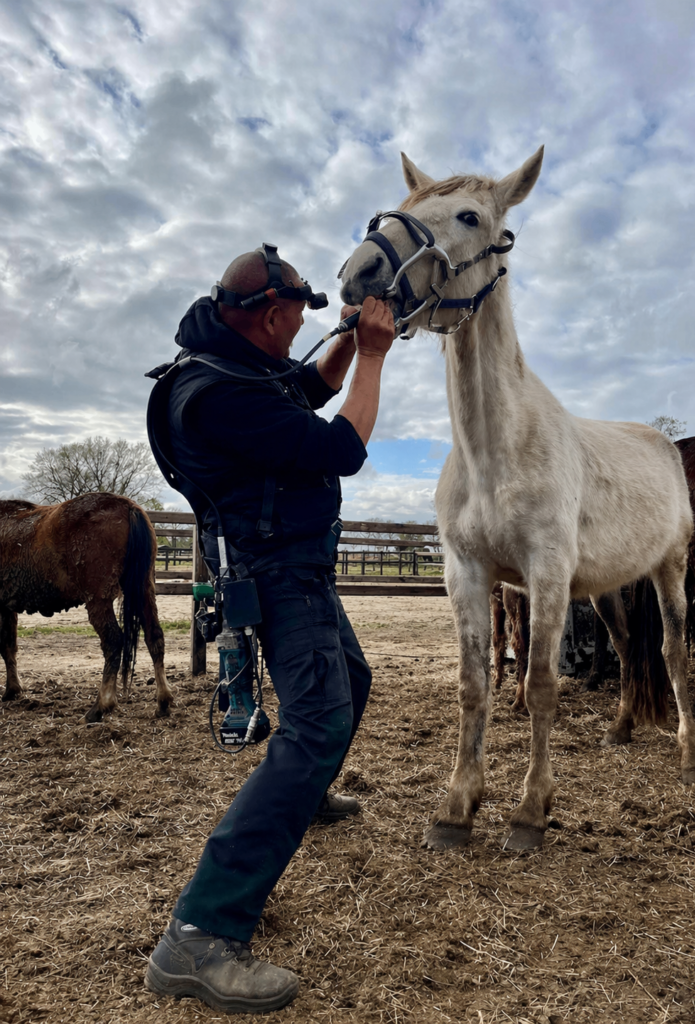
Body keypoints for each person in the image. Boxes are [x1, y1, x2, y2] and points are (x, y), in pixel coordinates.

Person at [144, 244, 395, 1014]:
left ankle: (303, 795)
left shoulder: (232, 366)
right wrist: (375, 357)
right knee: (318, 724)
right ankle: (199, 931)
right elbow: (339, 448)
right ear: (267, 313)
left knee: (348, 682)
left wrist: (347, 339)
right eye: (296, 317)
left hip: (289, 567)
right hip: (279, 573)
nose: (299, 330)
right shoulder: (217, 394)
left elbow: (305, 386)